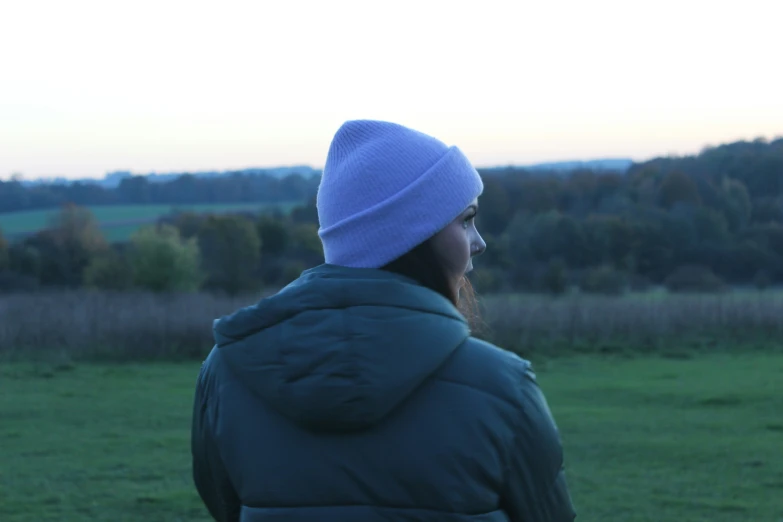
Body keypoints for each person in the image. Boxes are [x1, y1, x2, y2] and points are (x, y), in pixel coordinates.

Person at [191, 120, 577, 522]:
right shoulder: (502, 387)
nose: (479, 242)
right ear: (412, 234)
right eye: (465, 219)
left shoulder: (226, 373)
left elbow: (225, 507)